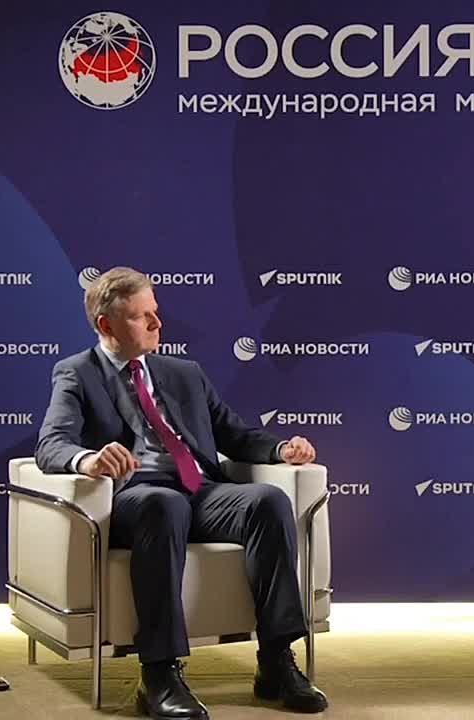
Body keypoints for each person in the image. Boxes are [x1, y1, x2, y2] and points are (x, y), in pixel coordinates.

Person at [35, 266, 328, 718]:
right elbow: (52, 443)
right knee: (164, 503)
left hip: (200, 490)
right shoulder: (77, 373)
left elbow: (234, 435)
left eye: (155, 312)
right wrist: (89, 460)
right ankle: (159, 674)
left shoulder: (184, 373)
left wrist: (280, 449)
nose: (158, 323)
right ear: (106, 325)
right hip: (137, 497)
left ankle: (276, 661)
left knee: (267, 501)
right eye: (142, 316)